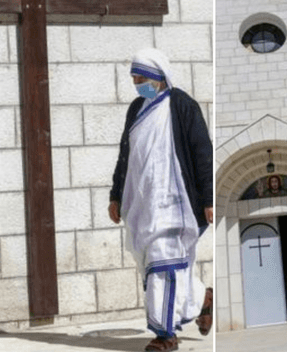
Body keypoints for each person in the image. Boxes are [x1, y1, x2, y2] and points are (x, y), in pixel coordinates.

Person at [108, 48, 213, 352]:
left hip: (174, 202)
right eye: (133, 77)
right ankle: (201, 298)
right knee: (161, 264)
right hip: (143, 203)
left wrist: (208, 198)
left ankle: (164, 335)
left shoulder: (182, 106)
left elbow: (202, 152)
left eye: (140, 76)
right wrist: (115, 195)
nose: (136, 82)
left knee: (163, 263)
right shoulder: (137, 109)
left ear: (156, 76)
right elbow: (125, 155)